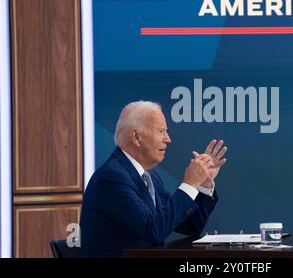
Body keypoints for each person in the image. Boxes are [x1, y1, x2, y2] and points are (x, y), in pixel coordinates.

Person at [79, 101, 227, 257]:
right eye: (161, 131)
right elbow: (154, 230)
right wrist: (189, 184)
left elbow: (190, 227)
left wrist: (202, 185)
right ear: (137, 137)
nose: (168, 139)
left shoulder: (151, 177)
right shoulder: (112, 178)